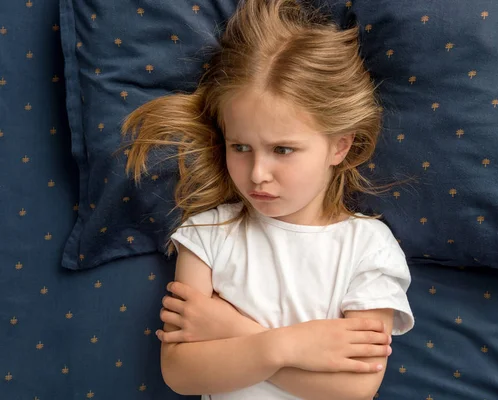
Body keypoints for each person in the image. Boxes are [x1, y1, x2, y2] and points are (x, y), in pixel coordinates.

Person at [122, 0, 414, 398]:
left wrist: (233, 331)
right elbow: (181, 373)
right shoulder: (208, 234)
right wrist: (287, 346)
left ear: (339, 146)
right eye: (240, 147)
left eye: (282, 150)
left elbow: (354, 389)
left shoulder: (368, 248)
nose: (257, 173)